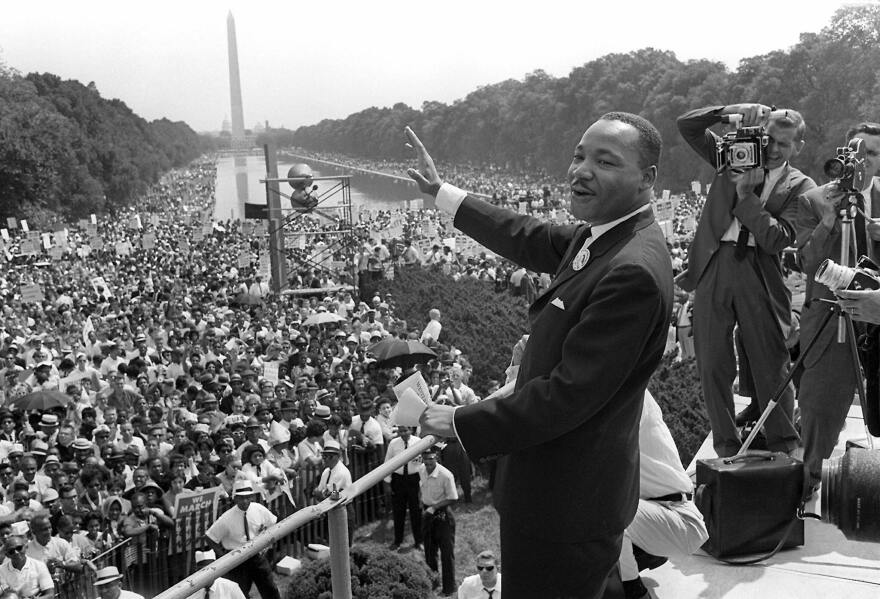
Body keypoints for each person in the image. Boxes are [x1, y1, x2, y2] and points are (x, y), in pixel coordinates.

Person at [409, 110, 672, 599]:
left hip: (567, 503)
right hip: (559, 492)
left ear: (647, 179)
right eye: (578, 155)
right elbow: (525, 235)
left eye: (605, 160)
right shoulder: (606, 236)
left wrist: (462, 420)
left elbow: (568, 396)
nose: (582, 170)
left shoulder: (631, 269)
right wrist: (441, 193)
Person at [675, 103, 815, 458]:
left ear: (798, 147)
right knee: (712, 362)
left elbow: (777, 239)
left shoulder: (802, 186)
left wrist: (746, 197)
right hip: (714, 264)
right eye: (768, 139)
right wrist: (729, 110)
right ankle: (725, 444)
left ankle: (784, 444)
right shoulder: (732, 155)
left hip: (759, 269)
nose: (772, 149)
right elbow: (688, 126)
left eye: (784, 144)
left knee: (771, 360)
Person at [798, 122, 880, 495]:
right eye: (857, 151)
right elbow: (808, 264)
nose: (864, 161)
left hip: (877, 313)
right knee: (822, 401)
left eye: (873, 154)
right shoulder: (814, 200)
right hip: (831, 315)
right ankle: (809, 478)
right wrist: (829, 220)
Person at [205, 480, 280, 599]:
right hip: (238, 561)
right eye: (241, 498)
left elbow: (273, 524)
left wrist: (267, 544)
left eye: (247, 497)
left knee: (269, 587)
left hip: (257, 556)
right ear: (235, 499)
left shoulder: (259, 509)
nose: (245, 501)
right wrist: (223, 556)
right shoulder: (226, 518)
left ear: (252, 497)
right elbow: (209, 537)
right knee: (240, 592)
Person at [418, 445, 458, 596]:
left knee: (446, 553)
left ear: (437, 458)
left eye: (431, 459)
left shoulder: (446, 475)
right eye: (425, 459)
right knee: (429, 551)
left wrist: (434, 507)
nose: (427, 462)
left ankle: (449, 588)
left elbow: (453, 497)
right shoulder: (421, 469)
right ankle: (433, 583)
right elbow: (421, 487)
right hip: (427, 513)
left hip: (443, 516)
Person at [382, 426, 422, 550]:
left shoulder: (418, 442)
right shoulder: (393, 444)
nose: (403, 433)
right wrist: (387, 483)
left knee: (416, 512)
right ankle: (397, 540)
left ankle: (418, 541)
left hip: (414, 479)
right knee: (398, 511)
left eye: (406, 431)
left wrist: (423, 484)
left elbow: (422, 463)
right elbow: (387, 463)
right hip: (398, 480)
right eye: (401, 431)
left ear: (411, 430)